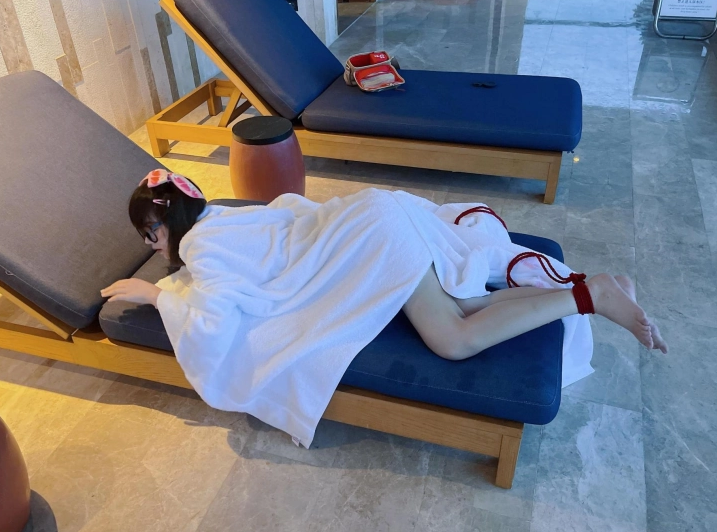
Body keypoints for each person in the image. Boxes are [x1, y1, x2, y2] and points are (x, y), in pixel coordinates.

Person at [101, 170, 666, 447]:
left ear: (162, 225)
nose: (152, 247)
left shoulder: (199, 249)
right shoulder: (220, 214)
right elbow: (283, 221)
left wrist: (157, 295)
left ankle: (590, 298)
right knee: (471, 302)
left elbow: (214, 321)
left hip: (372, 241)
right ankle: (594, 285)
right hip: (370, 218)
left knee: (453, 338)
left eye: (149, 236)